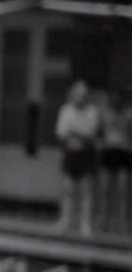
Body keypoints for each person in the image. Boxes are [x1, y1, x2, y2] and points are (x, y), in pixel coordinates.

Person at [54, 79, 100, 236]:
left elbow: (91, 135)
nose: (82, 97)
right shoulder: (65, 110)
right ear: (73, 94)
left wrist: (74, 131)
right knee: (68, 189)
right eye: (79, 94)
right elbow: (61, 134)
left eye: (84, 94)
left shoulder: (92, 111)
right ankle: (65, 221)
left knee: (86, 191)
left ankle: (85, 224)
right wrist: (79, 133)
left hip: (86, 154)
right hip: (70, 153)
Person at [96, 88, 132, 234]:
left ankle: (122, 223)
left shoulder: (129, 114)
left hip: (122, 152)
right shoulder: (105, 113)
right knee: (104, 190)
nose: (116, 101)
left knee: (122, 190)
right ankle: (103, 221)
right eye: (114, 98)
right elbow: (99, 132)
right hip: (108, 151)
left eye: (119, 98)